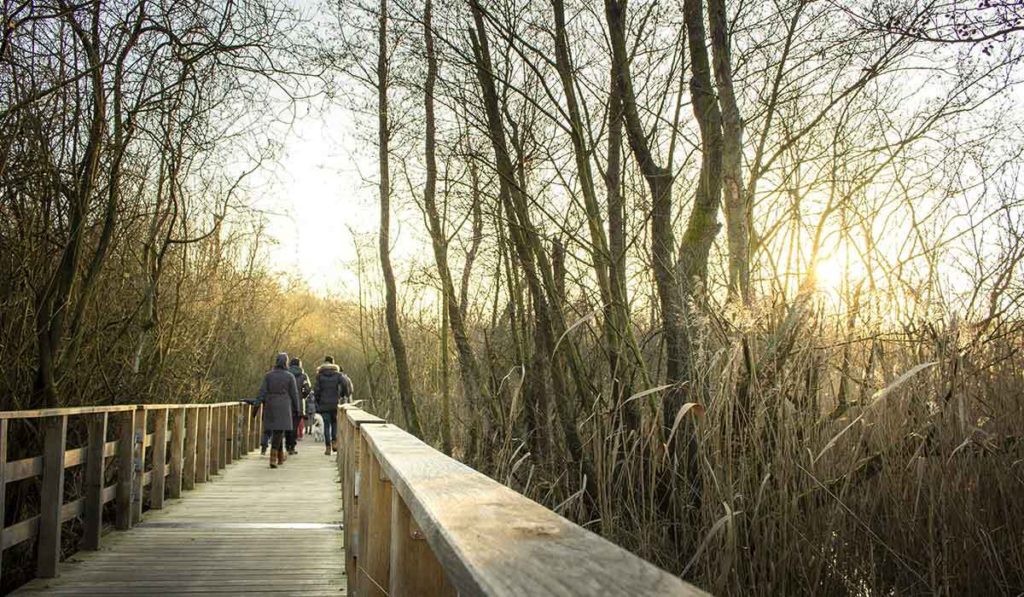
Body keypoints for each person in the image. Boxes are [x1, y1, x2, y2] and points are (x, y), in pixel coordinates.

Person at [252, 352, 299, 468]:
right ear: (286, 362)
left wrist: (256, 407)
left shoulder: (269, 376)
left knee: (277, 431)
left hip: (271, 405)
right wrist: (297, 409)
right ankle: (273, 458)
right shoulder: (289, 376)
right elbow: (294, 394)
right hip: (284, 406)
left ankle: (280, 457)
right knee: (279, 431)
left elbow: (261, 392)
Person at [314, 355, 349, 455]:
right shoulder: (338, 375)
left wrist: (318, 400)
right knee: (334, 424)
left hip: (324, 404)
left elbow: (316, 390)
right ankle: (334, 442)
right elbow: (345, 384)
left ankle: (328, 447)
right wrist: (342, 395)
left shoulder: (320, 376)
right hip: (335, 403)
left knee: (326, 426)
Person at [286, 357, 311, 454]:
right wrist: (303, 396)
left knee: (287, 425)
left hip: (287, 403)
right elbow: (308, 388)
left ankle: (287, 445)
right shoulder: (304, 376)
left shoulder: (286, 375)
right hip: (299, 404)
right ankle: (292, 446)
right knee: (295, 426)